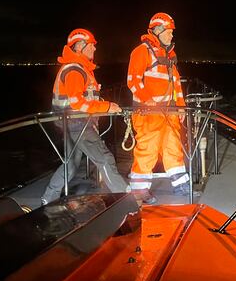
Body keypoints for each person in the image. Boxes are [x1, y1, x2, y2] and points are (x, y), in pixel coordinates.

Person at [41, 28, 129, 205]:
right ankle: (125, 200)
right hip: (77, 124)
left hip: (70, 123)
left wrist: (102, 107)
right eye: (92, 45)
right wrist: (108, 106)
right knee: (105, 158)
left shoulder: (80, 68)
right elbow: (78, 103)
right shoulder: (74, 70)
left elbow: (85, 100)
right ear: (80, 46)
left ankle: (47, 198)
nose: (95, 49)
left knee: (71, 165)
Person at [126, 12, 187, 203]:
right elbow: (133, 81)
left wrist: (181, 107)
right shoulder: (141, 51)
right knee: (147, 150)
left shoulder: (169, 54)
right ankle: (139, 190)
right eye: (168, 32)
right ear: (158, 31)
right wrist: (148, 100)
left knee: (173, 147)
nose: (171, 36)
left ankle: (180, 183)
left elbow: (176, 83)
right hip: (148, 113)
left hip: (169, 112)